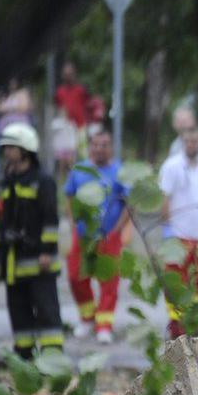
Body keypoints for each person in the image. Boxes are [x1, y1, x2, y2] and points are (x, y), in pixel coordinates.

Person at [0, 123, 63, 357]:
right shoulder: (7, 180)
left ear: (25, 150)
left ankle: (52, 357)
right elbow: (1, 219)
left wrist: (46, 251)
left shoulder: (42, 181)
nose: (6, 152)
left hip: (38, 261)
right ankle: (23, 357)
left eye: (11, 147)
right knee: (19, 311)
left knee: (46, 309)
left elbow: (50, 220)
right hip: (14, 262)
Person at [64, 130, 131, 342]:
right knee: (76, 276)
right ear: (90, 146)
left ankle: (104, 325)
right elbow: (69, 195)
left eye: (105, 145)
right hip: (83, 236)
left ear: (110, 147)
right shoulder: (80, 170)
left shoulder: (120, 172)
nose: (100, 149)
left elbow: (129, 205)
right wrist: (73, 221)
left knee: (109, 281)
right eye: (96, 144)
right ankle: (87, 318)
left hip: (109, 236)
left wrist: (117, 230)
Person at [158, 128, 198, 338]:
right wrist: (167, 229)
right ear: (182, 142)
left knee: (195, 282)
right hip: (178, 234)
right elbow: (165, 199)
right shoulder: (172, 166)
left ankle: (193, 322)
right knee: (176, 280)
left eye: (195, 141)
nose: (191, 145)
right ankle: (177, 325)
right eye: (188, 141)